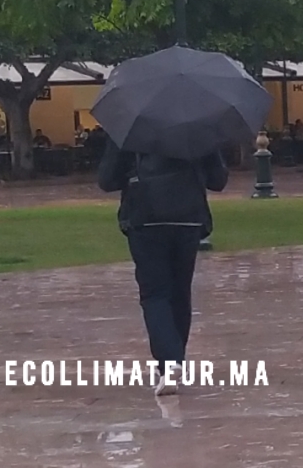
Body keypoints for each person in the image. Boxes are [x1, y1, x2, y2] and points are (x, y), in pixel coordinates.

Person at [97, 141, 229, 395]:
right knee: (180, 292)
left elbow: (107, 180)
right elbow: (218, 179)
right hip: (188, 218)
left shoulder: (129, 134)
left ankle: (170, 362)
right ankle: (174, 358)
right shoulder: (196, 130)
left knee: (155, 295)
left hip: (145, 218)